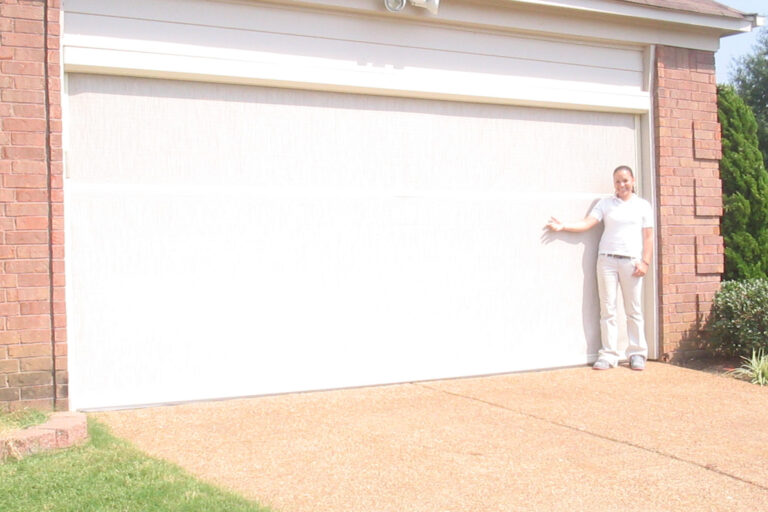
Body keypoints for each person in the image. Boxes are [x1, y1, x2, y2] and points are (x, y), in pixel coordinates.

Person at [545, 165, 654, 371]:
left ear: (633, 181)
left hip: (631, 262)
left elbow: (648, 237)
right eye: (617, 181)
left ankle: (637, 353)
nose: (621, 185)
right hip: (607, 261)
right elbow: (587, 223)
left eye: (625, 180)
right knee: (608, 309)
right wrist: (564, 226)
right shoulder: (605, 204)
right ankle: (609, 354)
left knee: (634, 310)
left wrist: (645, 262)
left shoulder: (642, 206)